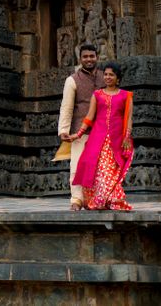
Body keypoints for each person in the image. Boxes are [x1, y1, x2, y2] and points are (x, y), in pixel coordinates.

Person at [70, 61, 134, 211]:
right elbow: (89, 117)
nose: (107, 77)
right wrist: (78, 134)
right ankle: (98, 201)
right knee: (98, 170)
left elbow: (129, 118)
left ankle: (110, 200)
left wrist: (127, 138)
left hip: (117, 139)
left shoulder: (126, 96)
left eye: (111, 74)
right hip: (97, 138)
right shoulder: (97, 95)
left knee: (111, 171)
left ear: (118, 78)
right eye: (105, 74)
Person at [57, 43, 104, 210]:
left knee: (100, 166)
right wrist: (63, 130)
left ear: (97, 57)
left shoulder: (105, 77)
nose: (89, 59)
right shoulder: (72, 80)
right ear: (80, 59)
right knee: (77, 166)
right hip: (79, 130)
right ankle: (76, 200)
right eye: (85, 57)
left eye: (92, 56)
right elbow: (67, 106)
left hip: (102, 130)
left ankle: (97, 199)